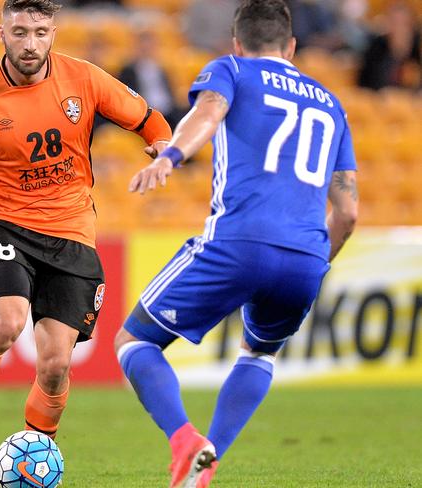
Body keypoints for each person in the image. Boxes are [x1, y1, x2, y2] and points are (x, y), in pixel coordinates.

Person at [0, 0, 171, 466]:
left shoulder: (84, 78)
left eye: (40, 32)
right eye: (20, 32)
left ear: (54, 33)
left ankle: (34, 455)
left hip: (72, 233)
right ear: (1, 33)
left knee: (56, 363)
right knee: (5, 322)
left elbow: (147, 119)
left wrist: (162, 146)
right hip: (6, 223)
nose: (30, 44)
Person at [114, 1, 359, 487]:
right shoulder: (332, 104)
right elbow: (349, 213)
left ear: (237, 43)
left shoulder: (231, 70)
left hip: (239, 241)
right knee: (259, 354)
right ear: (291, 47)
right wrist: (313, 264)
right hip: (308, 256)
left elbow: (208, 112)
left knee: (134, 340)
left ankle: (186, 441)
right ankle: (211, 459)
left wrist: (174, 155)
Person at [118, 29, 187, 129]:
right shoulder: (128, 70)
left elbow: (169, 92)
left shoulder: (161, 68)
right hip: (144, 112)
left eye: (149, 46)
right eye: (143, 46)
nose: (147, 49)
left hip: (168, 111)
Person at [358, 0, 421, 91]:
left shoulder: (418, 46)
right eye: (395, 22)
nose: (399, 29)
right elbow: (366, 81)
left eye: (403, 24)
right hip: (381, 98)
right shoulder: (377, 46)